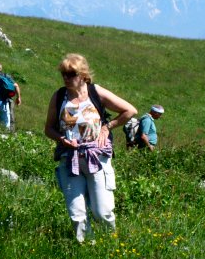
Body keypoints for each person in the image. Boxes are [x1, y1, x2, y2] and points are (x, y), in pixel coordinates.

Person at [44, 53, 137, 242]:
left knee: (102, 211)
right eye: (64, 73)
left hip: (97, 157)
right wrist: (62, 139)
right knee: (77, 214)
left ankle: (110, 247)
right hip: (70, 159)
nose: (66, 78)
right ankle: (86, 249)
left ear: (83, 75)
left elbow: (130, 111)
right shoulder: (59, 96)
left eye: (71, 74)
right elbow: (48, 129)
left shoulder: (95, 92)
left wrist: (107, 126)